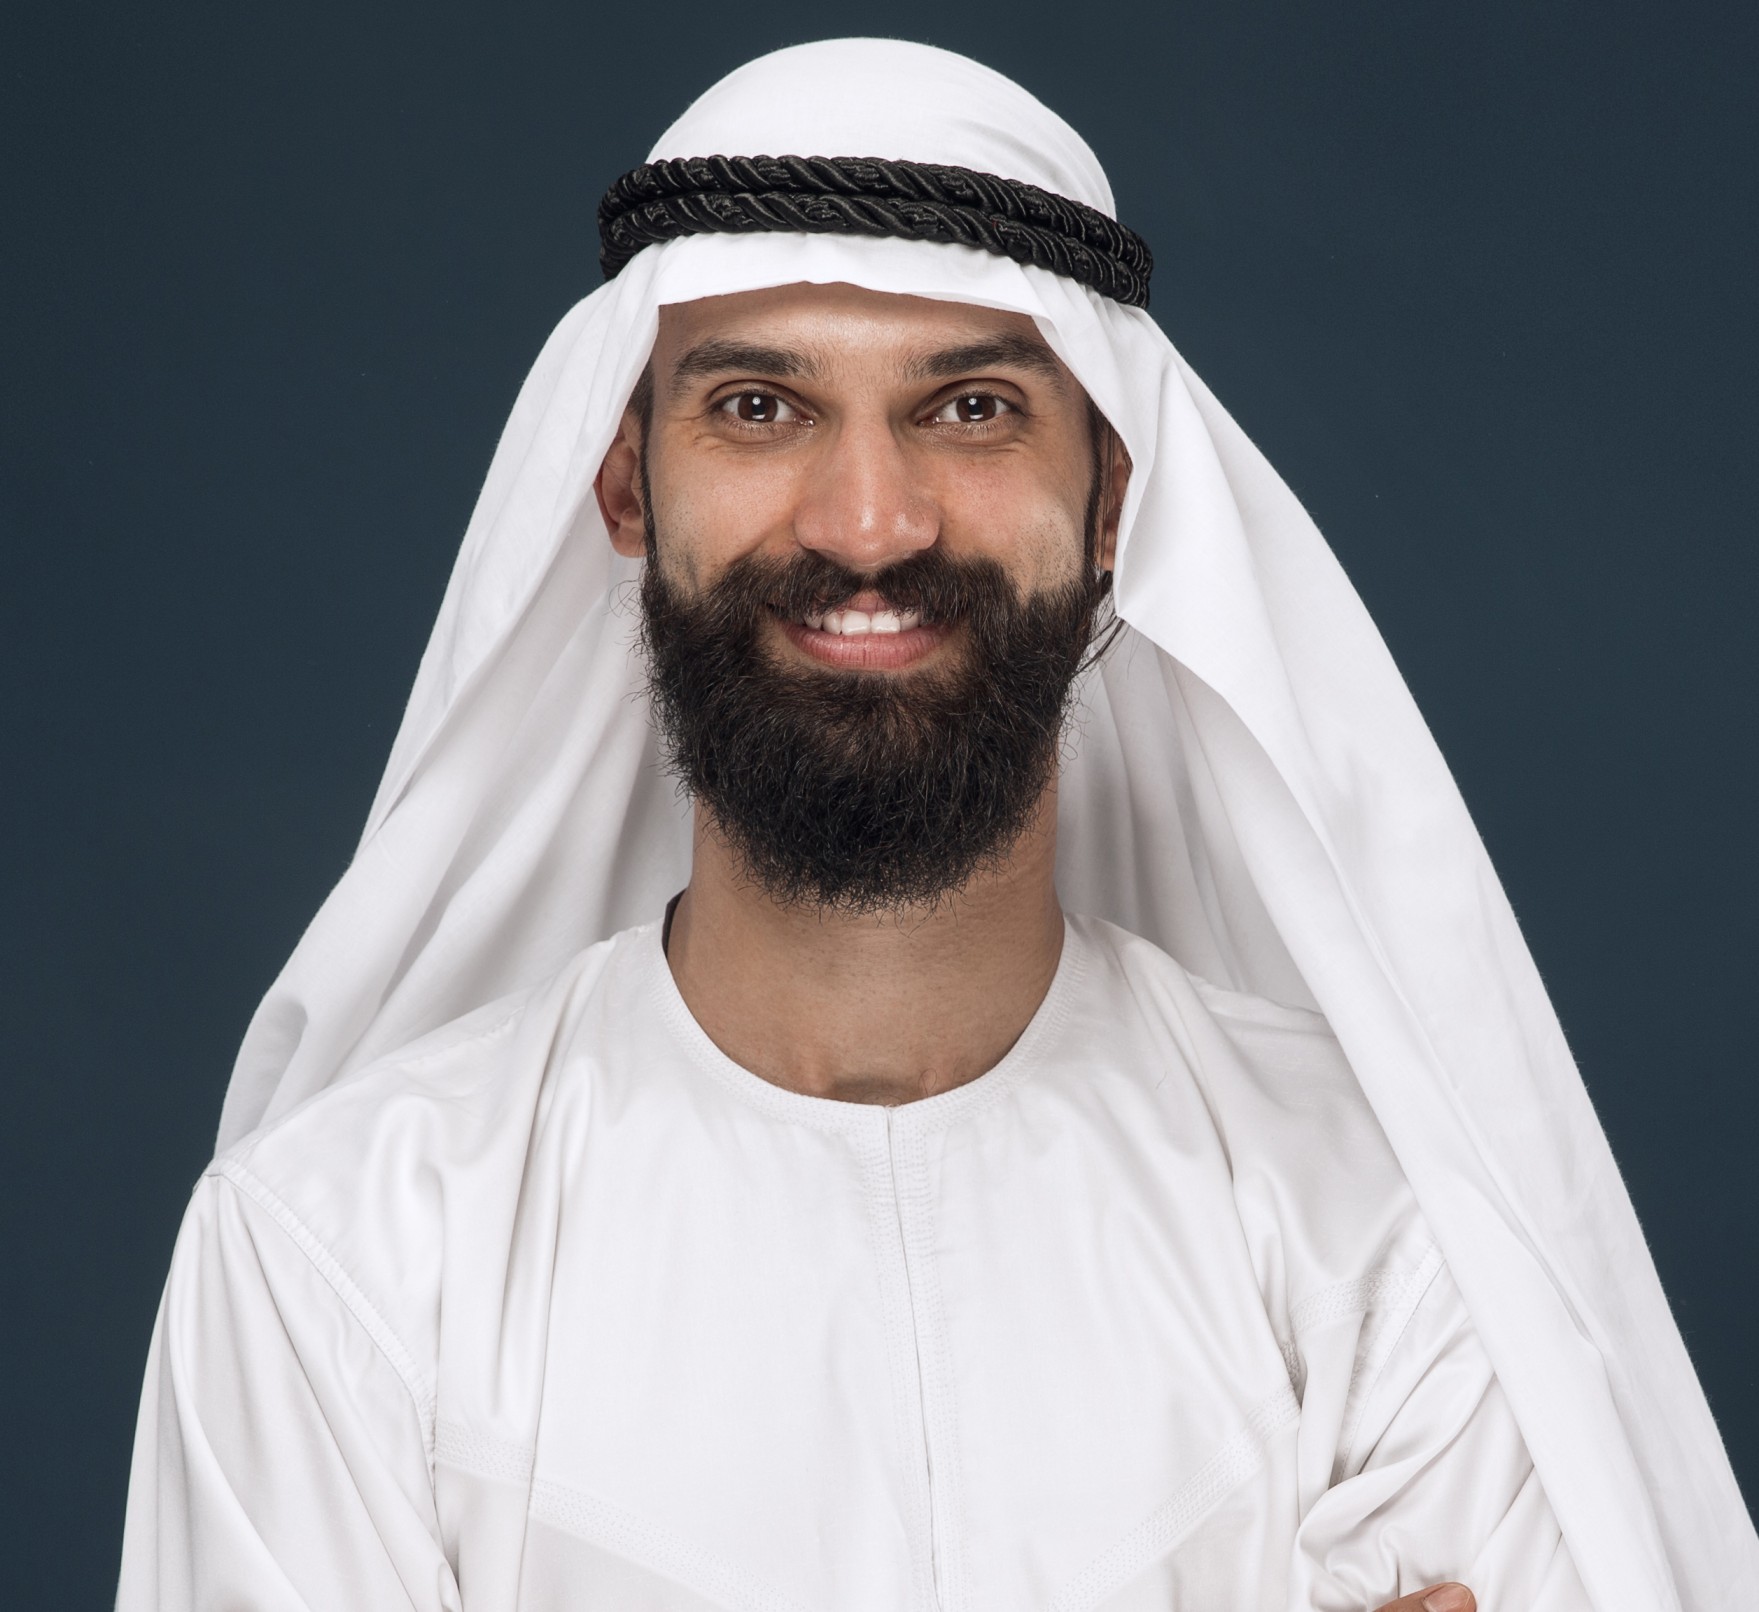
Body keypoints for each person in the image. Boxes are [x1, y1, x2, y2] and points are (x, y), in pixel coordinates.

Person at [116, 39, 1753, 1612]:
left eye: (970, 408)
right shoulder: (340, 1261)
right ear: (623, 490)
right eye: (759, 406)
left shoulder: (1384, 1242)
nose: (868, 524)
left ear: (1113, 500)